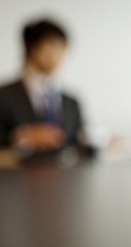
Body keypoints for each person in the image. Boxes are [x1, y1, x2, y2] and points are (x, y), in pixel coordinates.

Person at [0, 19, 84, 155]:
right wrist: (20, 137)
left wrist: (99, 143)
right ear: (31, 48)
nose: (59, 54)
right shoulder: (3, 96)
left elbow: (77, 143)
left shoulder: (71, 102)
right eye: (52, 45)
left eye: (63, 47)